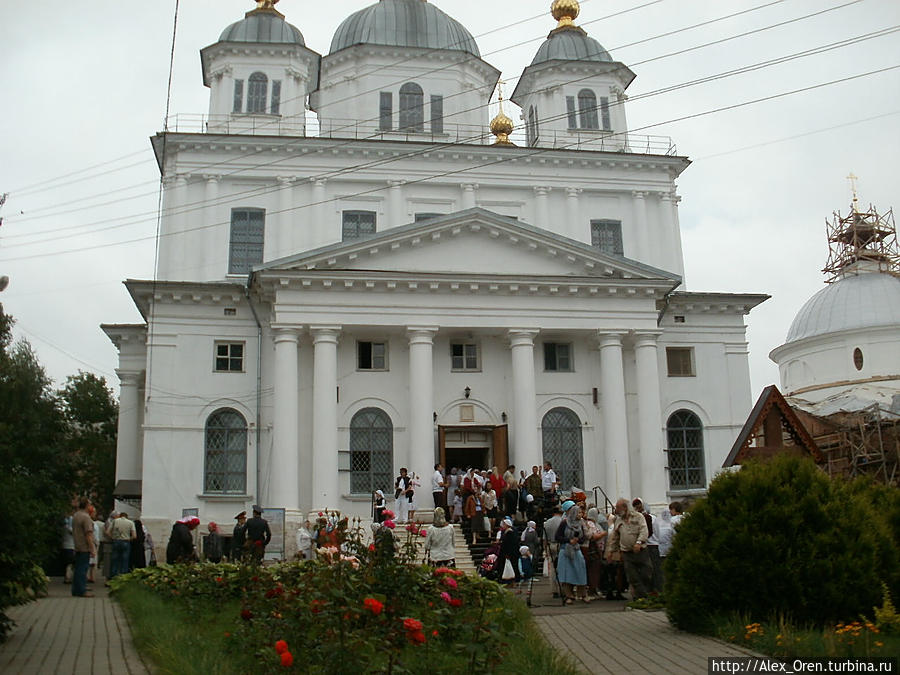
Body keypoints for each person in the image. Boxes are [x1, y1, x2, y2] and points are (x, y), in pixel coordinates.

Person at [607, 498, 652, 599]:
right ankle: (640, 598)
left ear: (625, 507)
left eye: (618, 507)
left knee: (646, 573)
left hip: (640, 551)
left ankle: (645, 595)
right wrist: (611, 551)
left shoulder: (638, 517)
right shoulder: (618, 520)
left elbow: (644, 530)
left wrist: (639, 542)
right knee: (632, 577)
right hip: (627, 553)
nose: (616, 510)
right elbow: (615, 537)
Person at [555, 500, 589, 604]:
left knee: (580, 570)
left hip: (576, 549)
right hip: (566, 550)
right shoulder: (565, 523)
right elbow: (557, 537)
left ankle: (582, 594)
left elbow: (583, 537)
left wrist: (578, 540)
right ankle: (569, 595)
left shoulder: (580, 524)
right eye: (578, 512)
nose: (580, 514)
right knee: (566, 573)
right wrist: (569, 540)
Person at [633, 498, 661, 594]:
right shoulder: (639, 518)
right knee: (647, 569)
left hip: (651, 545)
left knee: (653, 569)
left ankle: (655, 590)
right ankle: (650, 590)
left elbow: (652, 532)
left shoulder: (651, 518)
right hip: (647, 546)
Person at [71, 497, 96, 597]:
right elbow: (88, 534)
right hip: (84, 546)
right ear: (86, 505)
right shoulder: (86, 517)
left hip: (77, 545)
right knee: (83, 569)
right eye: (90, 504)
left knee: (77, 569)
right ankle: (82, 590)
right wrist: (92, 548)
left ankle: (76, 589)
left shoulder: (76, 515)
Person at [584, 508, 607, 597]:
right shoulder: (590, 524)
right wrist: (603, 534)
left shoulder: (595, 524)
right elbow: (593, 536)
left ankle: (594, 588)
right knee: (593, 571)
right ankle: (591, 589)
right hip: (594, 550)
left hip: (598, 549)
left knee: (596, 570)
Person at [108, 511, 136, 579]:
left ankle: (113, 576)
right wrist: (129, 538)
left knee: (115, 560)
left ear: (120, 516)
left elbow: (107, 532)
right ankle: (123, 577)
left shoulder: (115, 521)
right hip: (126, 542)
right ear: (126, 516)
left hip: (116, 541)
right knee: (125, 560)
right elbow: (134, 536)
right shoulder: (130, 522)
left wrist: (113, 537)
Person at [88, 507, 102, 583]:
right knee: (90, 562)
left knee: (93, 563)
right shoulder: (90, 522)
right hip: (92, 543)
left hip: (94, 543)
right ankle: (89, 577)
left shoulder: (93, 522)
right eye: (94, 512)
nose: (95, 514)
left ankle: (92, 576)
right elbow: (90, 534)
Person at [61, 510, 75, 584]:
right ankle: (68, 577)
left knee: (67, 563)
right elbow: (73, 532)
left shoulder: (64, 526)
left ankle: (67, 576)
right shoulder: (68, 527)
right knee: (70, 563)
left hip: (65, 545)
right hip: (70, 546)